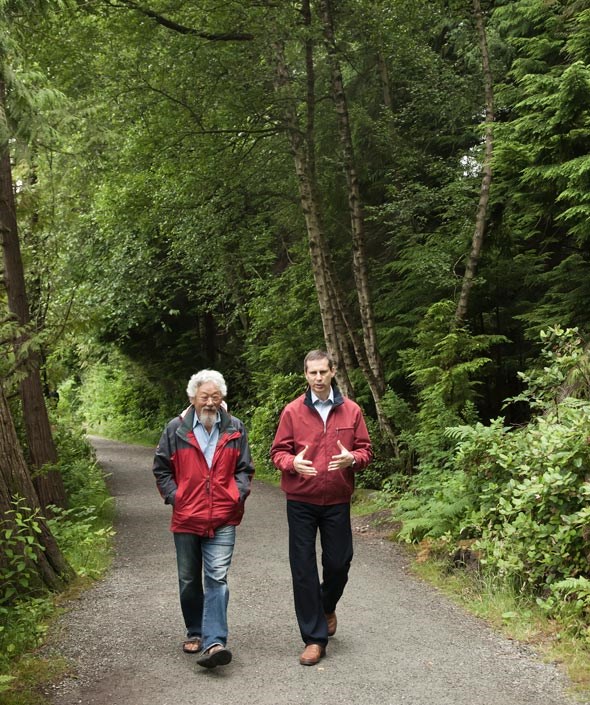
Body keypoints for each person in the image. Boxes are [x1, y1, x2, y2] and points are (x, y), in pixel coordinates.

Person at [270, 349, 372, 666]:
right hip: (301, 499)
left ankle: (327, 606)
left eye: (322, 372)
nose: (317, 378)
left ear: (332, 372)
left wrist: (353, 459)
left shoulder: (351, 411)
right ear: (305, 374)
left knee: (339, 563)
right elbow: (277, 453)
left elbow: (366, 450)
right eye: (312, 372)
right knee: (303, 569)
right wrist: (292, 464)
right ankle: (315, 639)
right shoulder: (292, 412)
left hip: (337, 499)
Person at [152, 369, 254, 669]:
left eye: (215, 396)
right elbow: (161, 468)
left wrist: (237, 494)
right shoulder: (176, 429)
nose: (210, 402)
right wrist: (176, 496)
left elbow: (245, 469)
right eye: (204, 396)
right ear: (192, 398)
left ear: (222, 398)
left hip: (223, 516)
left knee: (217, 577)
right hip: (186, 516)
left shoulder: (235, 428)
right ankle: (195, 630)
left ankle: (214, 642)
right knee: (188, 580)